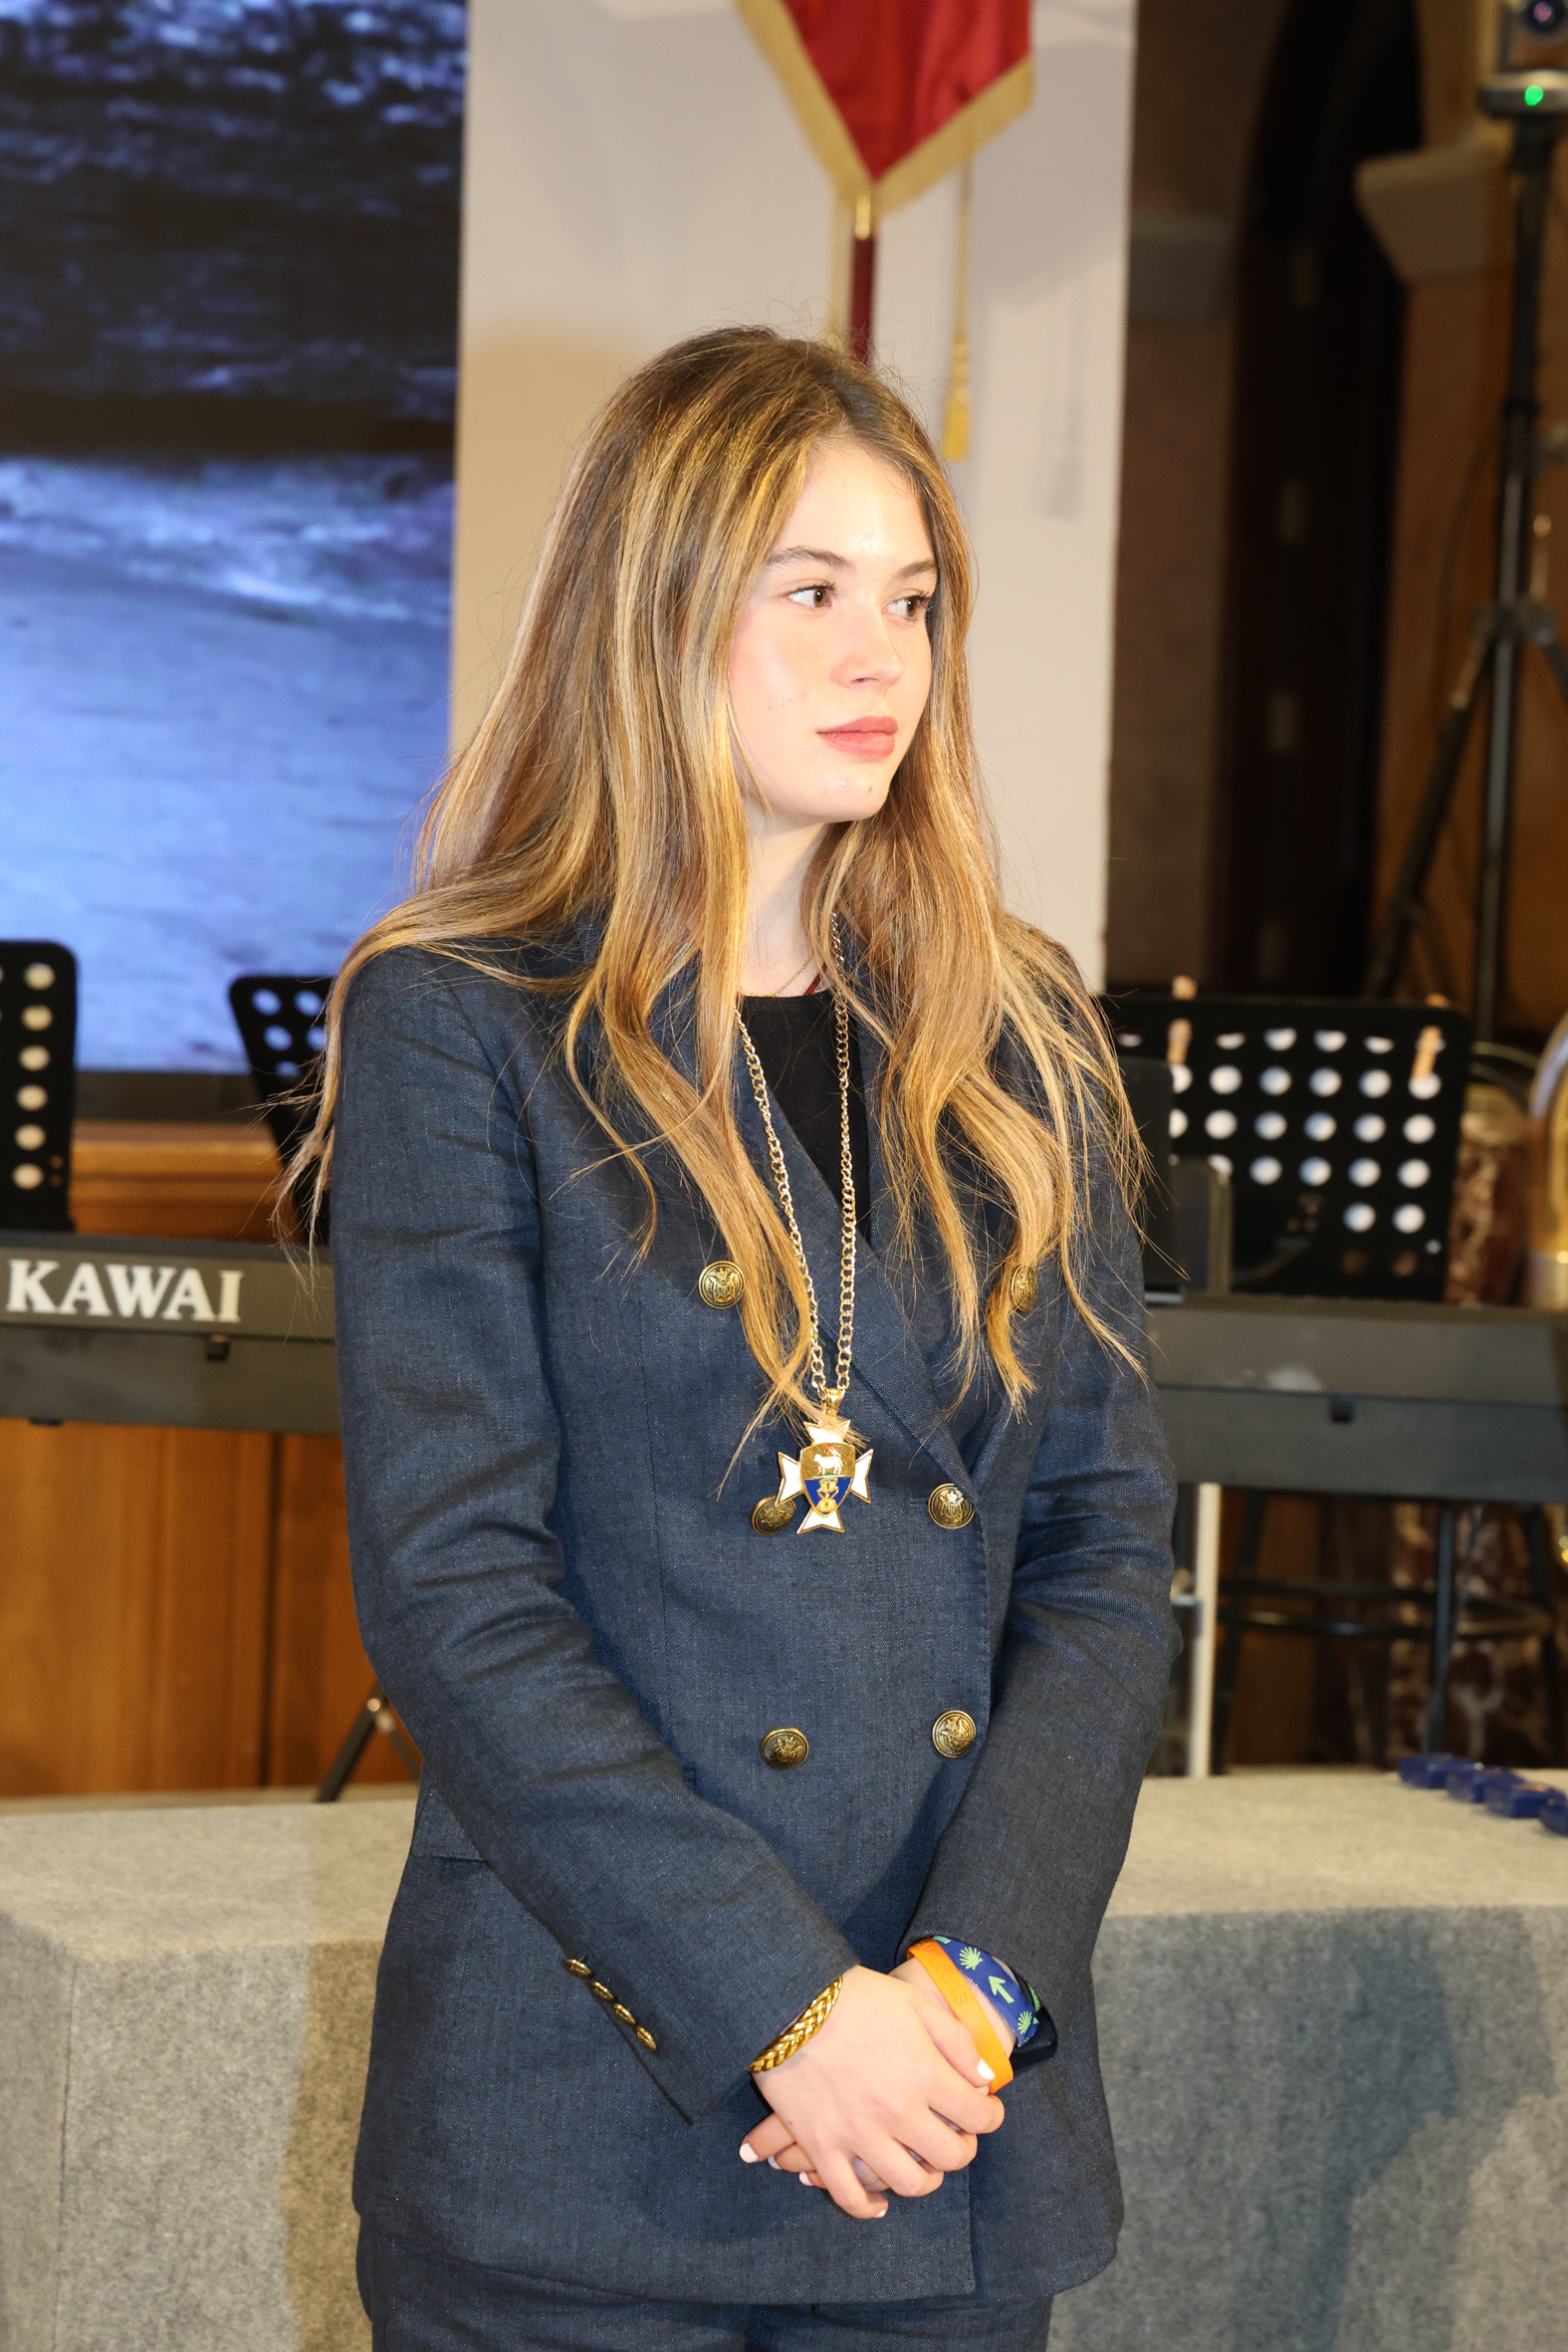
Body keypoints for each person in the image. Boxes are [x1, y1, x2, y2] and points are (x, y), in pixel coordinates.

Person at [311, 327, 1178, 2352]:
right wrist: (788, 2012)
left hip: (942, 2119)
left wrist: (969, 1986)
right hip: (583, 2123)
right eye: (810, 591)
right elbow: (458, 1594)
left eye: (913, 600)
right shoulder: (463, 1020)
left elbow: (1102, 1554)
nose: (882, 657)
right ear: (657, 610)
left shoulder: (1019, 1034)